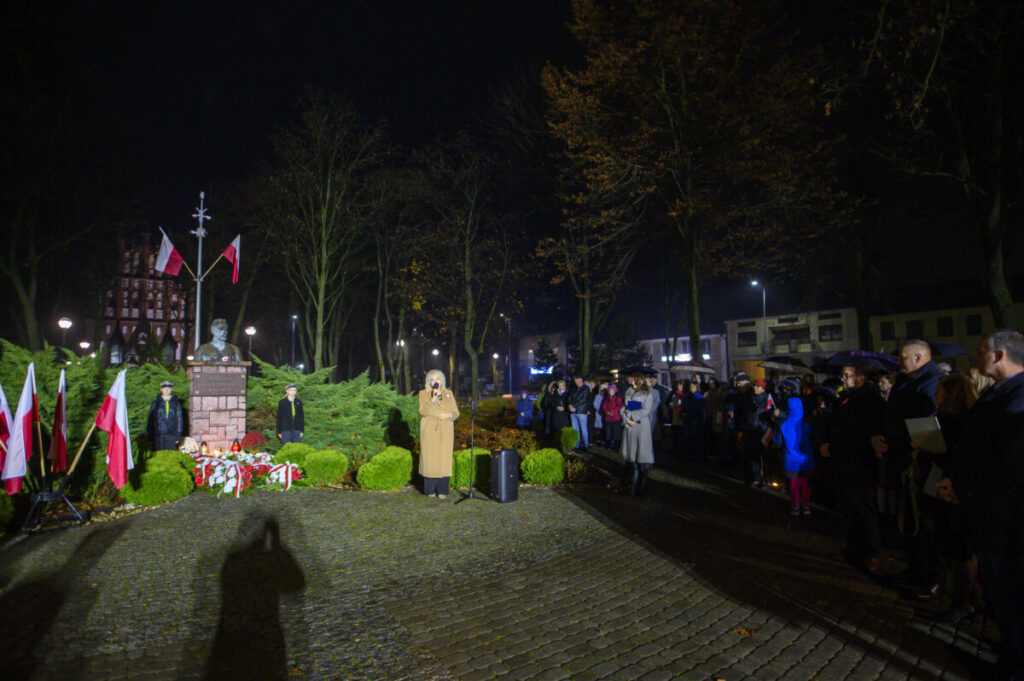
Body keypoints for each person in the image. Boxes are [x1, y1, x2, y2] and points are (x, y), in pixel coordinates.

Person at [938, 330, 1024, 678]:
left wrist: (968, 488)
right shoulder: (1003, 396)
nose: (976, 357)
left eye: (981, 351)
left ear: (999, 355)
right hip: (992, 514)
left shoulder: (1017, 401)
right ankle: (1012, 652)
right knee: (1003, 595)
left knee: (1013, 594)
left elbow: (1009, 466)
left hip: (1008, 520)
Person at [821, 365, 885, 570]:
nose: (843, 379)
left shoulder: (870, 400)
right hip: (843, 463)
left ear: (860, 378)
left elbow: (862, 433)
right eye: (842, 375)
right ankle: (853, 550)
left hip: (860, 464)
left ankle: (873, 553)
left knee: (864, 510)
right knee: (849, 511)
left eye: (847, 375)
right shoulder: (844, 398)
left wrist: (835, 445)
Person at [872, 339, 941, 520]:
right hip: (894, 452)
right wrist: (879, 435)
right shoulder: (903, 380)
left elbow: (929, 418)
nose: (899, 362)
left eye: (903, 358)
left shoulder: (933, 381)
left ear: (918, 357)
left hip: (915, 455)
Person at [418, 369, 459, 499]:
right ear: (429, 382)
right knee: (429, 459)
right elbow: (423, 411)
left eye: (438, 378)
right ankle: (429, 490)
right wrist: (433, 399)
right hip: (429, 429)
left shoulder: (449, 394)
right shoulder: (423, 393)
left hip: (446, 429)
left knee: (444, 458)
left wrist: (449, 415)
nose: (435, 381)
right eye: (432, 379)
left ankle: (442, 490)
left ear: (442, 381)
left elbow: (456, 412)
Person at [621, 373, 655, 496]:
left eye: (634, 381)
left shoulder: (647, 393)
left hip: (640, 427)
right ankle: (631, 485)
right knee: (631, 459)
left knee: (642, 458)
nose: (632, 383)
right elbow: (623, 408)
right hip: (630, 427)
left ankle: (641, 487)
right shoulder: (629, 392)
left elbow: (645, 410)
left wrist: (631, 413)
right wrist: (626, 418)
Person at [781, 395, 813, 515]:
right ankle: (805, 506)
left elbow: (780, 441)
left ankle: (795, 506)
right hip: (805, 460)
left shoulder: (785, 425)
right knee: (805, 484)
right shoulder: (805, 425)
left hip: (791, 460)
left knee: (794, 484)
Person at [147, 380, 183, 451]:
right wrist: (150, 435)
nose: (166, 390)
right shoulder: (156, 403)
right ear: (161, 389)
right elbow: (151, 419)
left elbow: (179, 419)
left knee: (170, 455)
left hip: (171, 434)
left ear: (171, 389)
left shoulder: (176, 403)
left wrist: (178, 435)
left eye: (169, 388)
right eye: (164, 388)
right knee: (159, 455)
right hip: (158, 434)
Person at [567, 376, 592, 451]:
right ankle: (577, 445)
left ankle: (586, 445)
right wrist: (570, 405)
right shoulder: (573, 388)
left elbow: (583, 399)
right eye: (575, 379)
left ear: (581, 380)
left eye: (578, 379)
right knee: (575, 429)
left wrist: (574, 407)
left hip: (581, 411)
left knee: (583, 428)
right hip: (573, 411)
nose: (577, 380)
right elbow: (569, 398)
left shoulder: (586, 388)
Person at [600, 384, 624, 451]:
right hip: (608, 418)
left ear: (615, 391)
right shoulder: (607, 398)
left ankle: (616, 447)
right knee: (609, 433)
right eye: (609, 390)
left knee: (616, 433)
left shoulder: (618, 398)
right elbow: (603, 407)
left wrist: (612, 411)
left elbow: (619, 406)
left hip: (616, 418)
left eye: (612, 390)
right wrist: (607, 411)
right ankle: (610, 445)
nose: (610, 391)